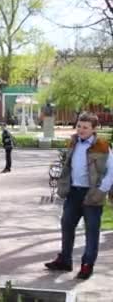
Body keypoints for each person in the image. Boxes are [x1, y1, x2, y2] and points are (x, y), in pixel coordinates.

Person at [44, 112, 113, 280]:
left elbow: (111, 171)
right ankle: (65, 260)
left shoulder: (103, 146)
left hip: (92, 194)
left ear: (94, 129)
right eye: (79, 126)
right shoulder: (73, 142)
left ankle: (87, 265)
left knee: (91, 231)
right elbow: (68, 166)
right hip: (73, 192)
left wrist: (101, 191)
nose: (81, 130)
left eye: (85, 127)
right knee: (66, 225)